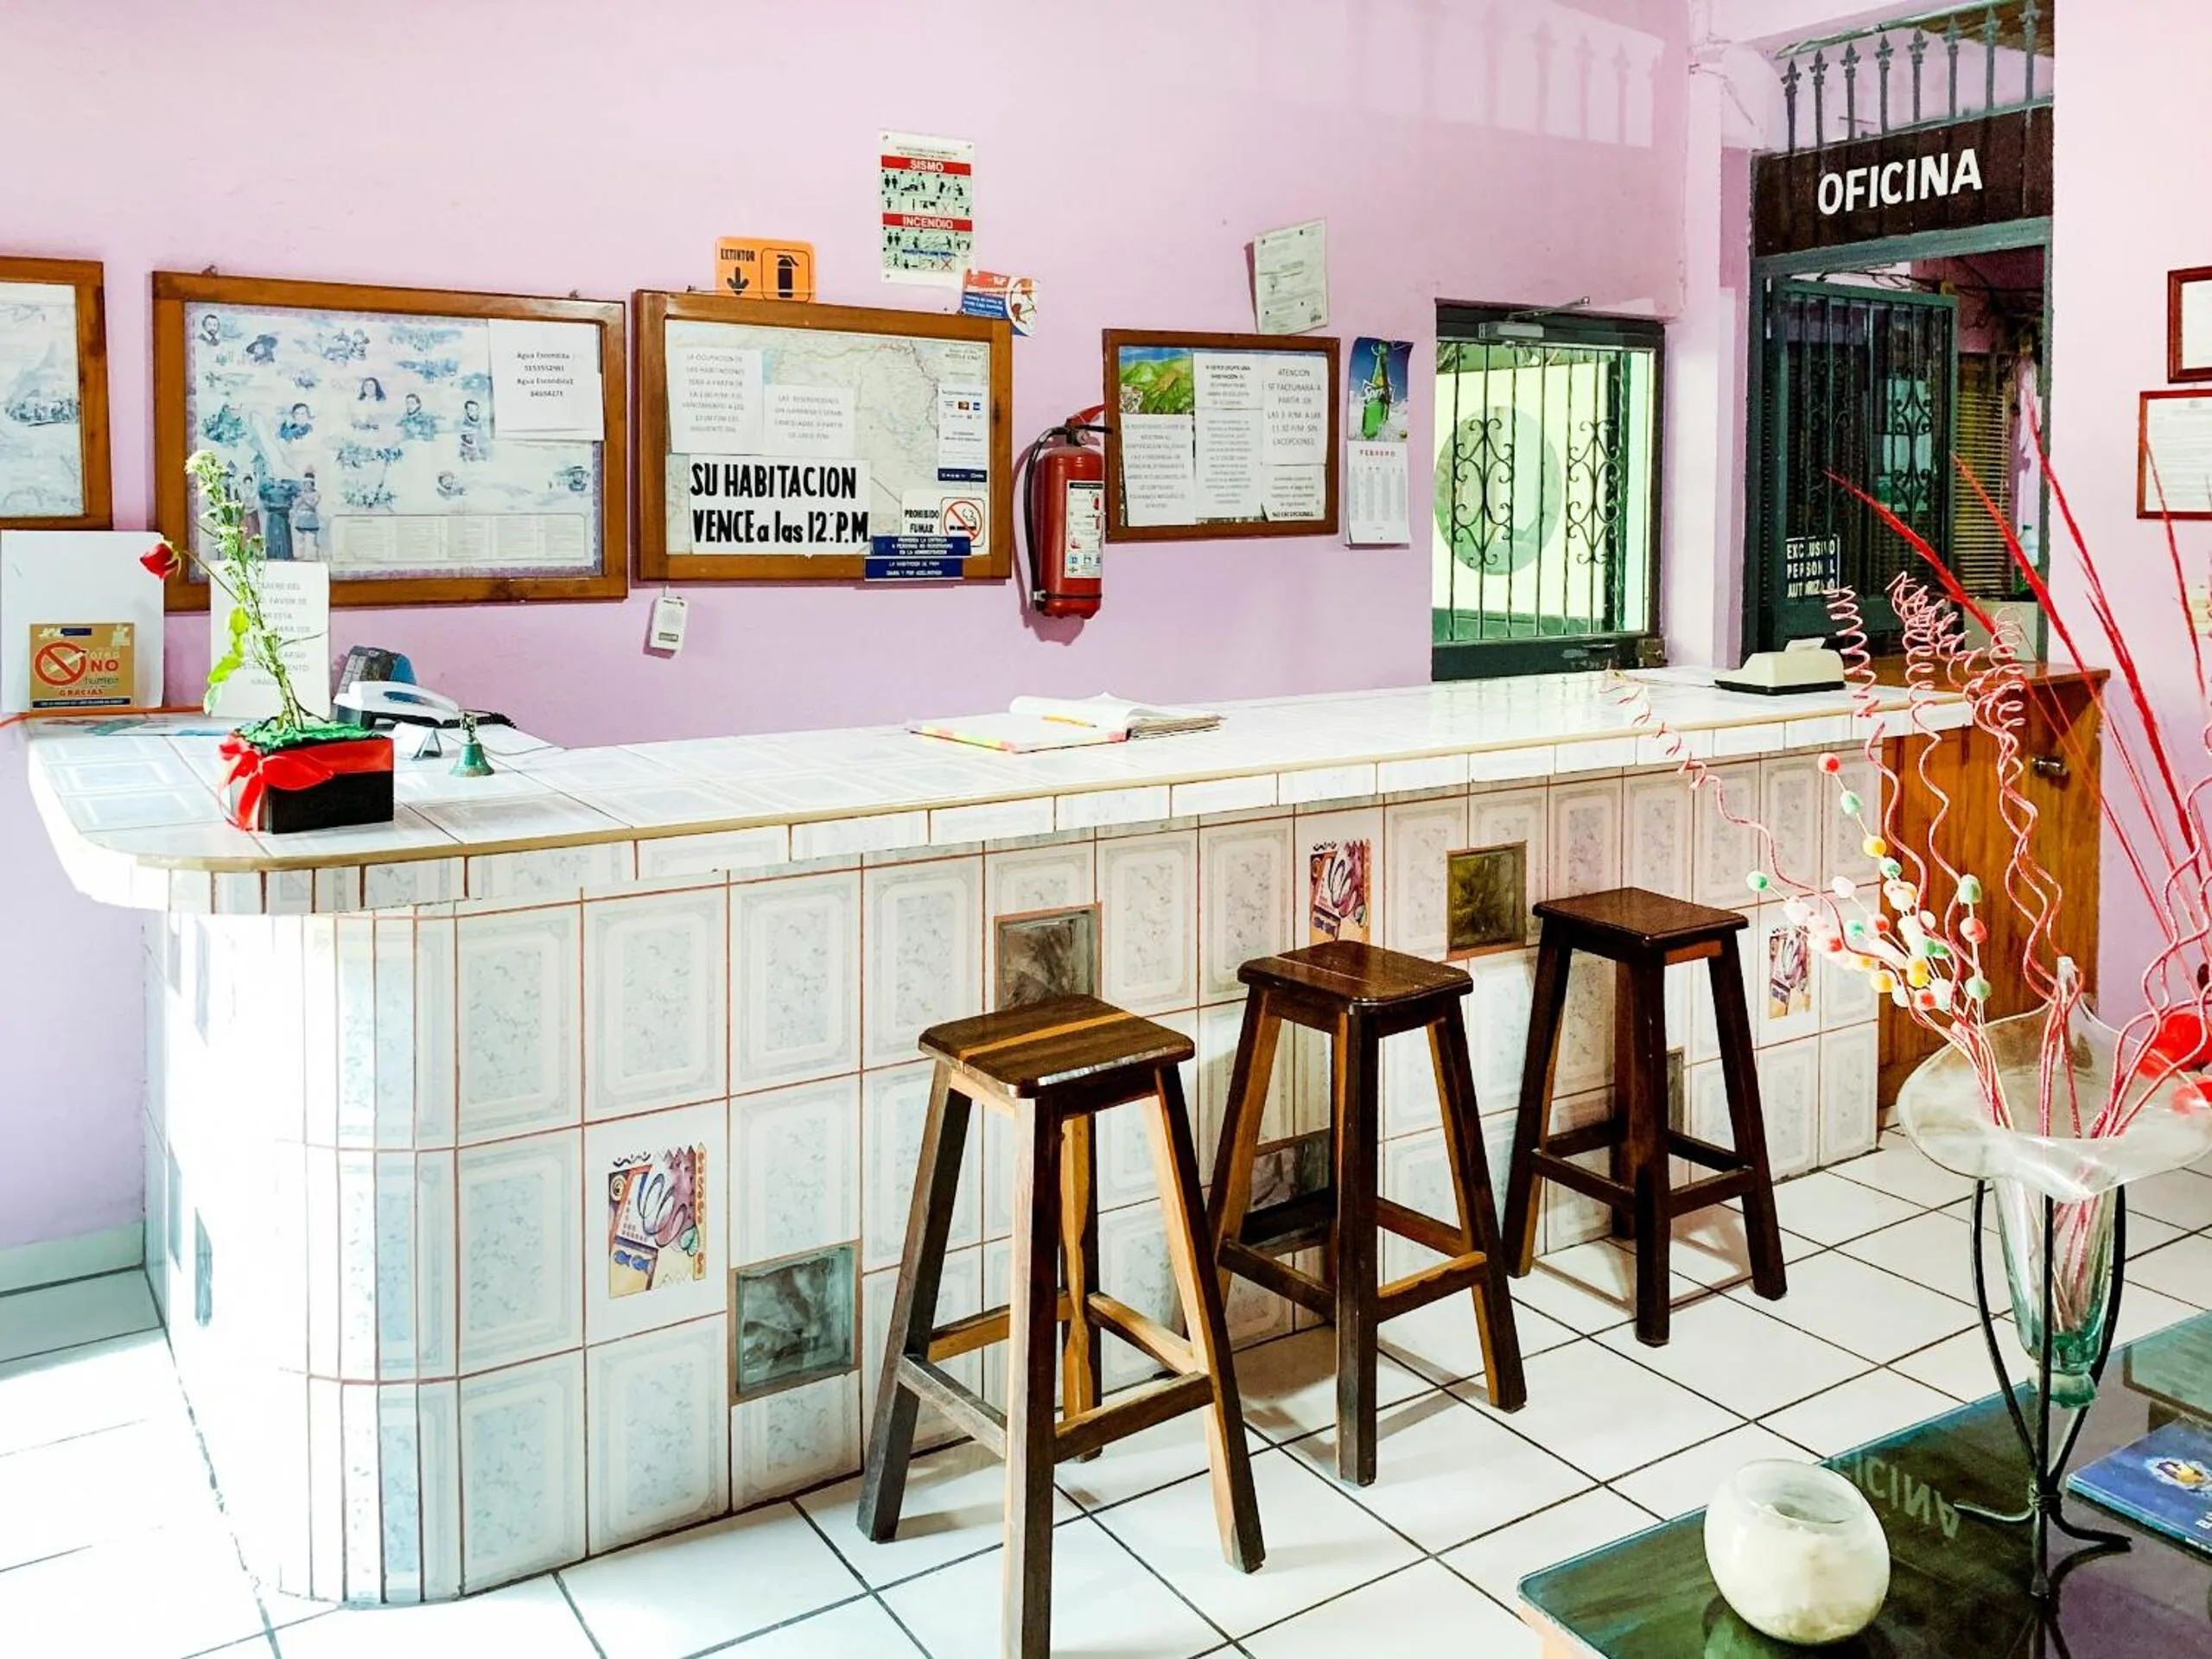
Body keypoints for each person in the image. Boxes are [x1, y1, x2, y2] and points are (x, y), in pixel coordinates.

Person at [291, 469, 321, 558]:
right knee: (300, 538)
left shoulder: (316, 494)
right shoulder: (301, 493)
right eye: (306, 484)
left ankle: (313, 557)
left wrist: (304, 499)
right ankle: (300, 557)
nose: (308, 486)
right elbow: (296, 505)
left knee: (312, 539)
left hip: (311, 517)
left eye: (310, 484)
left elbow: (313, 504)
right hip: (301, 517)